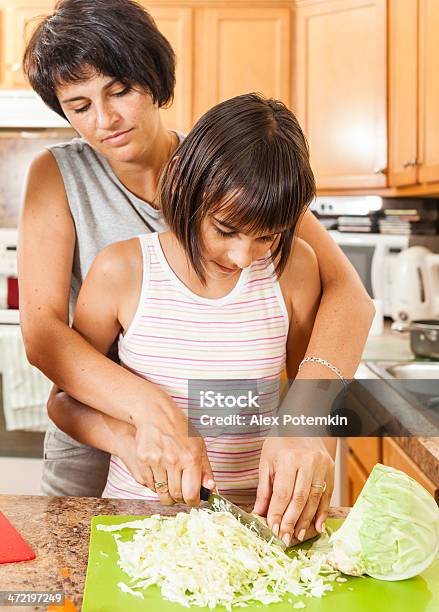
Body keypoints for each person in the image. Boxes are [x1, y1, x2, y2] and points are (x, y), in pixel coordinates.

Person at [19, 0, 374, 537]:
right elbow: (43, 335)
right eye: (78, 105)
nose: (105, 120)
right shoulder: (58, 177)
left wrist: (305, 420)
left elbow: (348, 295)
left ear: (155, 78)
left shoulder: (232, 171)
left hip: (232, 477)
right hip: (105, 456)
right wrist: (148, 411)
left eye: (121, 91)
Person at [61, 92, 332, 548]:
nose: (244, 257)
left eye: (267, 236)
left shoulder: (296, 268)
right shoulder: (121, 270)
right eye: (225, 230)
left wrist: (313, 449)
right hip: (141, 520)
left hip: (260, 530)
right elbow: (64, 402)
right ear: (189, 189)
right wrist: (130, 442)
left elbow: (317, 391)